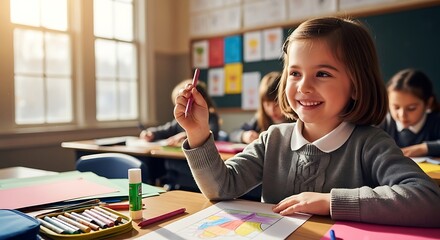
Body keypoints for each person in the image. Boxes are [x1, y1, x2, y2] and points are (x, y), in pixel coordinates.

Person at [173, 16, 440, 227]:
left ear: (356, 86)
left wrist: (330, 202)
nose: (304, 86)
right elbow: (221, 188)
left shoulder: (370, 143)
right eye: (295, 73)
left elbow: (429, 201)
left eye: (322, 73)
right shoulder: (273, 139)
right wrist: (198, 132)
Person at [379, 69, 440, 157]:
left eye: (411, 108)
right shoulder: (383, 122)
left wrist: (422, 149)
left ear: (428, 103)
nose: (402, 115)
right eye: (396, 107)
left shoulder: (436, 121)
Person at [140, 79, 220, 145]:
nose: (181, 107)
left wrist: (186, 135)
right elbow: (165, 130)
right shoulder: (183, 118)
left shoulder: (211, 117)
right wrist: (152, 133)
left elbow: (212, 134)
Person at [229, 71, 292, 144]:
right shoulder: (259, 120)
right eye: (267, 104)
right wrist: (244, 136)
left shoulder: (295, 123)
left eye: (276, 105)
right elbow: (233, 134)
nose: (272, 110)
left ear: (286, 100)